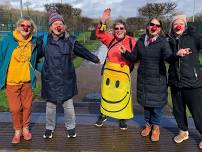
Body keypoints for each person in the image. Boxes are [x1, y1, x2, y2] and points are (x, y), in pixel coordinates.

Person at [120, 17, 189, 141]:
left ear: (160, 29)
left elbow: (168, 57)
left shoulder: (163, 42)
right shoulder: (141, 40)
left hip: (158, 80)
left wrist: (176, 55)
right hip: (143, 79)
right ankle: (148, 125)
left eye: (157, 25)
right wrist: (125, 52)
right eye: (152, 24)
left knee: (156, 107)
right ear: (148, 26)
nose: (154, 27)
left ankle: (156, 128)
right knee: (146, 105)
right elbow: (134, 57)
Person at [36, 7, 100, 139]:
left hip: (66, 80)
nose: (58, 26)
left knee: (68, 107)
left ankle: (71, 127)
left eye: (60, 24)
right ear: (50, 27)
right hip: (50, 80)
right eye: (55, 24)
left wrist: (95, 59)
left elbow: (83, 51)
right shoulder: (43, 42)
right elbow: (34, 57)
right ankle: (49, 128)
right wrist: (43, 69)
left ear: (64, 27)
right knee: (50, 106)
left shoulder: (70, 41)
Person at [95, 8, 136, 130]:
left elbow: (135, 57)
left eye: (121, 28)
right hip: (109, 73)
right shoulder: (110, 38)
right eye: (116, 28)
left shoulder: (131, 41)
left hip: (123, 74)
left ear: (125, 29)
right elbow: (100, 34)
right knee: (107, 94)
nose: (119, 30)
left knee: (123, 95)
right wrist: (103, 20)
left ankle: (122, 118)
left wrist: (126, 55)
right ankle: (104, 114)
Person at [0, 16, 38, 144]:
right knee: (15, 109)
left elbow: (35, 61)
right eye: (22, 25)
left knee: (27, 106)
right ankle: (17, 130)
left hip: (27, 81)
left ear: (32, 29)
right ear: (18, 26)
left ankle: (25, 128)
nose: (25, 28)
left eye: (28, 26)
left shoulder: (33, 42)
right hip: (12, 82)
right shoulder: (8, 40)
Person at [167, 14, 202, 149]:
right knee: (178, 110)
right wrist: (176, 54)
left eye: (181, 23)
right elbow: (167, 58)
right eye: (175, 23)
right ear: (172, 27)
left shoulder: (193, 37)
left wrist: (195, 31)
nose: (178, 25)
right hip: (176, 83)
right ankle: (183, 132)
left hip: (192, 82)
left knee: (197, 112)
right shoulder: (169, 40)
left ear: (185, 25)